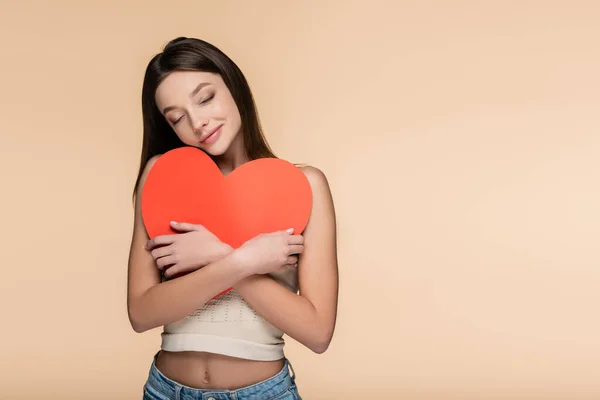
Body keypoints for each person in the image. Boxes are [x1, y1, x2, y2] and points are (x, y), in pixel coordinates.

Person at [127, 37, 339, 400]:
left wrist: (216, 254)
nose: (198, 122)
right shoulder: (162, 177)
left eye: (205, 98)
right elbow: (141, 312)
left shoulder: (305, 185)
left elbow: (318, 331)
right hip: (165, 390)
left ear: (233, 85)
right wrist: (241, 260)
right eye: (177, 117)